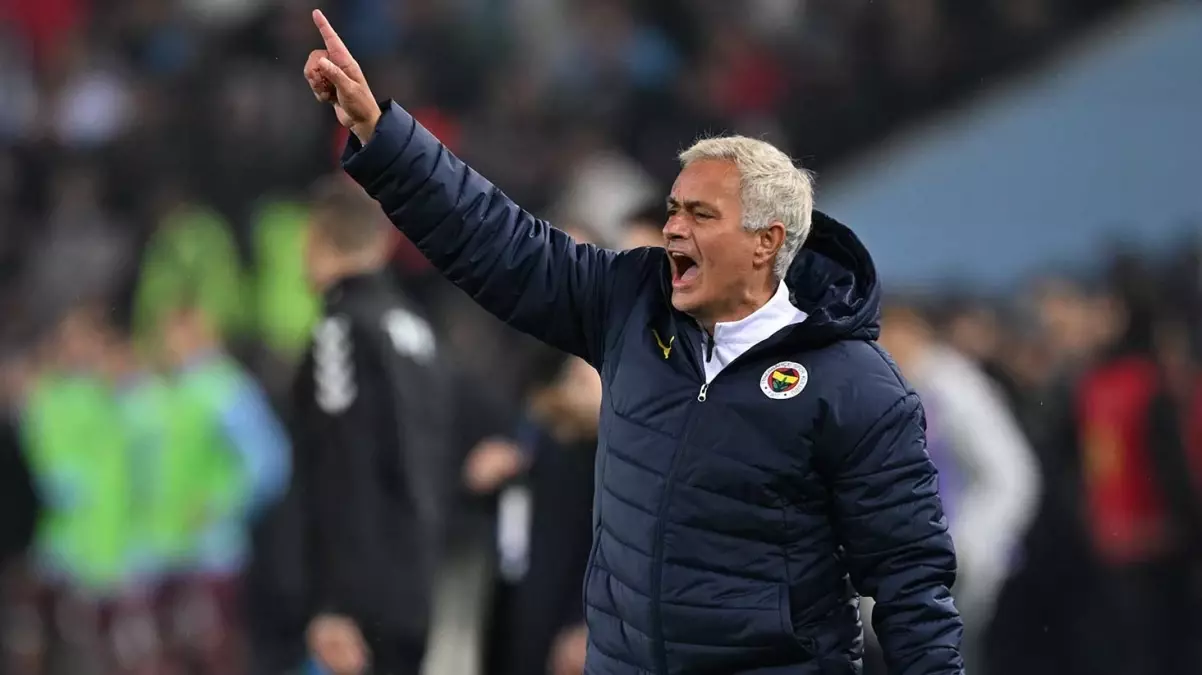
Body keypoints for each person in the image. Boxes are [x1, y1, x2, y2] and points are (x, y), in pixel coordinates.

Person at [303, 11, 964, 674]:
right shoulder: (630, 303)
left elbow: (911, 582)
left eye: (700, 215)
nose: (673, 230)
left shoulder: (853, 382)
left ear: (766, 242)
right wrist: (382, 134)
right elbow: (498, 239)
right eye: (673, 210)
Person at [287, 176, 452, 675]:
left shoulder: (341, 330)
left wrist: (337, 602)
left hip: (360, 605)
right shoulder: (413, 328)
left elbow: (343, 465)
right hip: (417, 585)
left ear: (318, 239)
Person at [878, 300, 1040, 675]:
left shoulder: (954, 386)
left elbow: (1013, 474)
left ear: (916, 332)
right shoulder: (881, 385)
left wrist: (967, 544)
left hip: (957, 567)